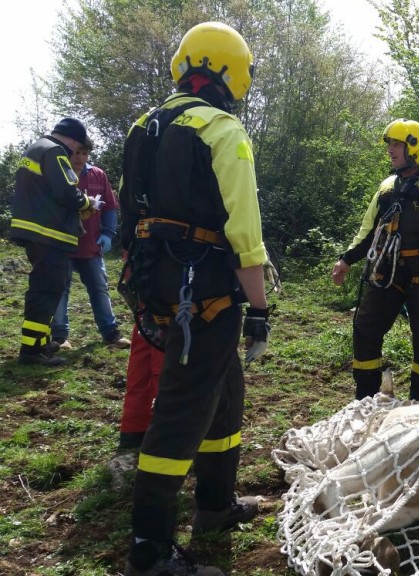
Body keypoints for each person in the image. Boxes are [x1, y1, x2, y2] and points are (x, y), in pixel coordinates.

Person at [117, 21, 269, 576]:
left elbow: (131, 212)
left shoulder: (144, 125)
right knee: (182, 409)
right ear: (227, 71)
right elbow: (245, 234)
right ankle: (150, 550)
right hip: (203, 288)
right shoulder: (221, 129)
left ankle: (214, 504)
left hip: (159, 279)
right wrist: (259, 309)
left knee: (223, 387)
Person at [331, 119, 419, 402]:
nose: (391, 150)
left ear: (415, 148)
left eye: (397, 144)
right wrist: (346, 259)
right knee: (365, 325)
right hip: (388, 267)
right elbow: (369, 230)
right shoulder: (386, 187)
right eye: (390, 144)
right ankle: (365, 396)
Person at [11, 117, 101, 366]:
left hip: (35, 230)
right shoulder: (55, 152)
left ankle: (40, 342)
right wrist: (87, 203)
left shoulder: (36, 148)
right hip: (49, 233)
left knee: (45, 288)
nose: (76, 152)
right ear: (72, 139)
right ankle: (31, 352)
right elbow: (64, 191)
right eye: (77, 146)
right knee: (47, 291)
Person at [50, 138, 132, 350]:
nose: (80, 158)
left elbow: (110, 207)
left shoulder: (98, 175)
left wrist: (108, 233)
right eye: (76, 153)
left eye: (84, 153)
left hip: (91, 247)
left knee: (99, 288)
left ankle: (110, 332)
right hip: (62, 245)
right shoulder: (57, 175)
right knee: (60, 289)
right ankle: (59, 337)